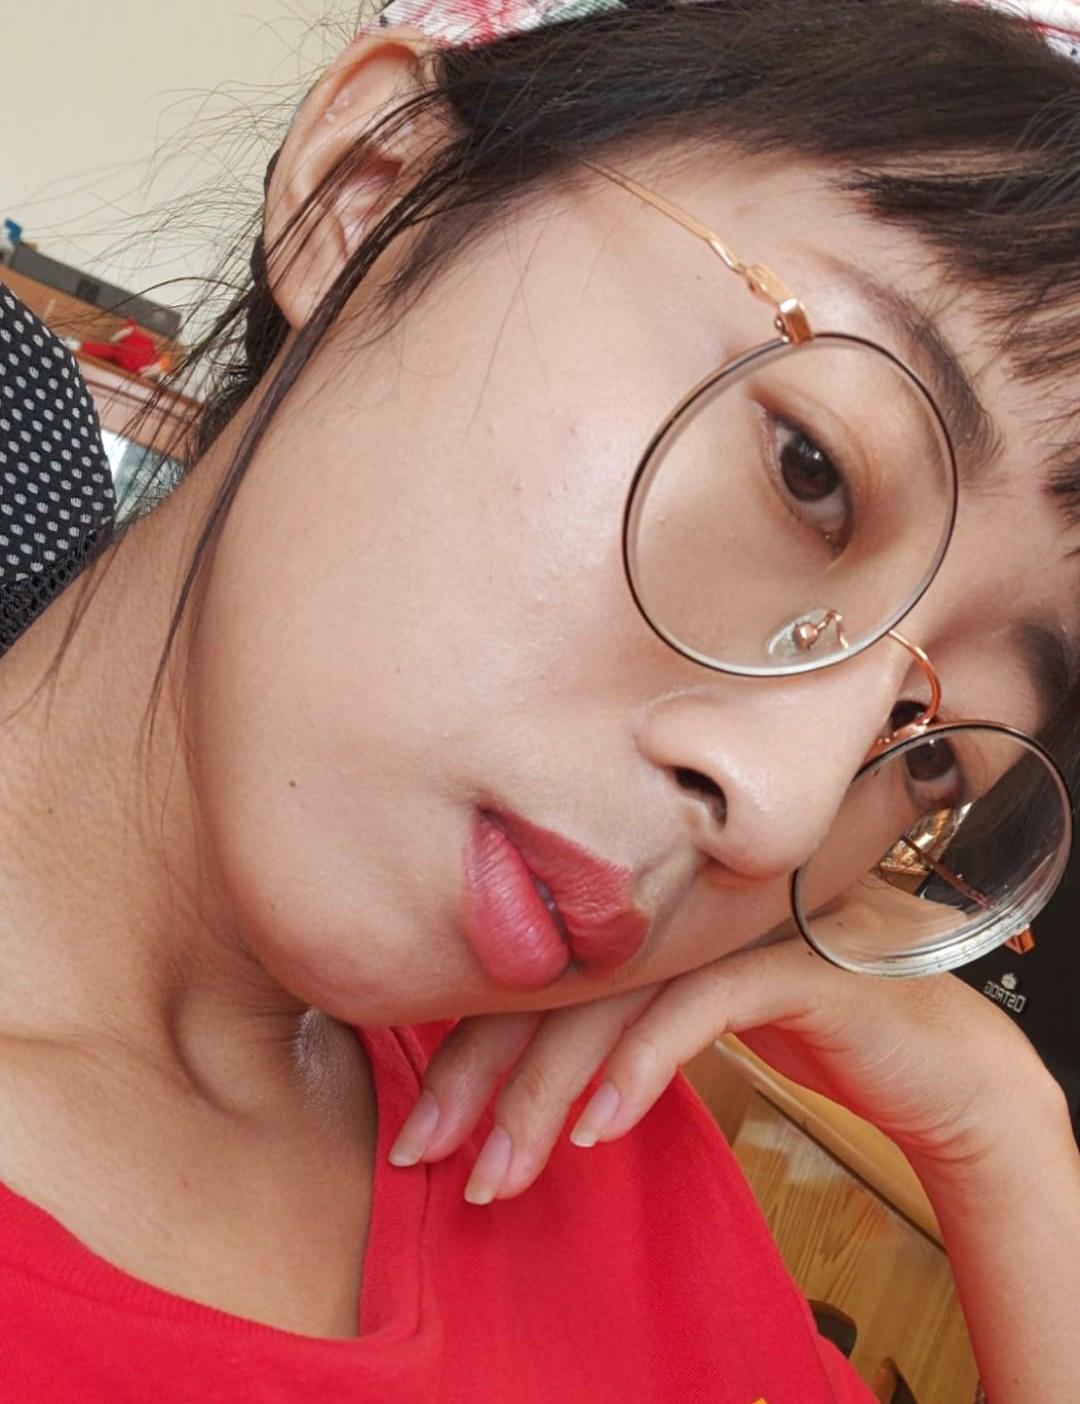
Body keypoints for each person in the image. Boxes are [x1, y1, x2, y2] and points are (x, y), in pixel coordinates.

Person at [0, 0, 1078, 1399]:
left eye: (925, 747)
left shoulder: (586, 1138)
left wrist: (1008, 1149)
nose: (786, 804)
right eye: (809, 469)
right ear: (367, 189)